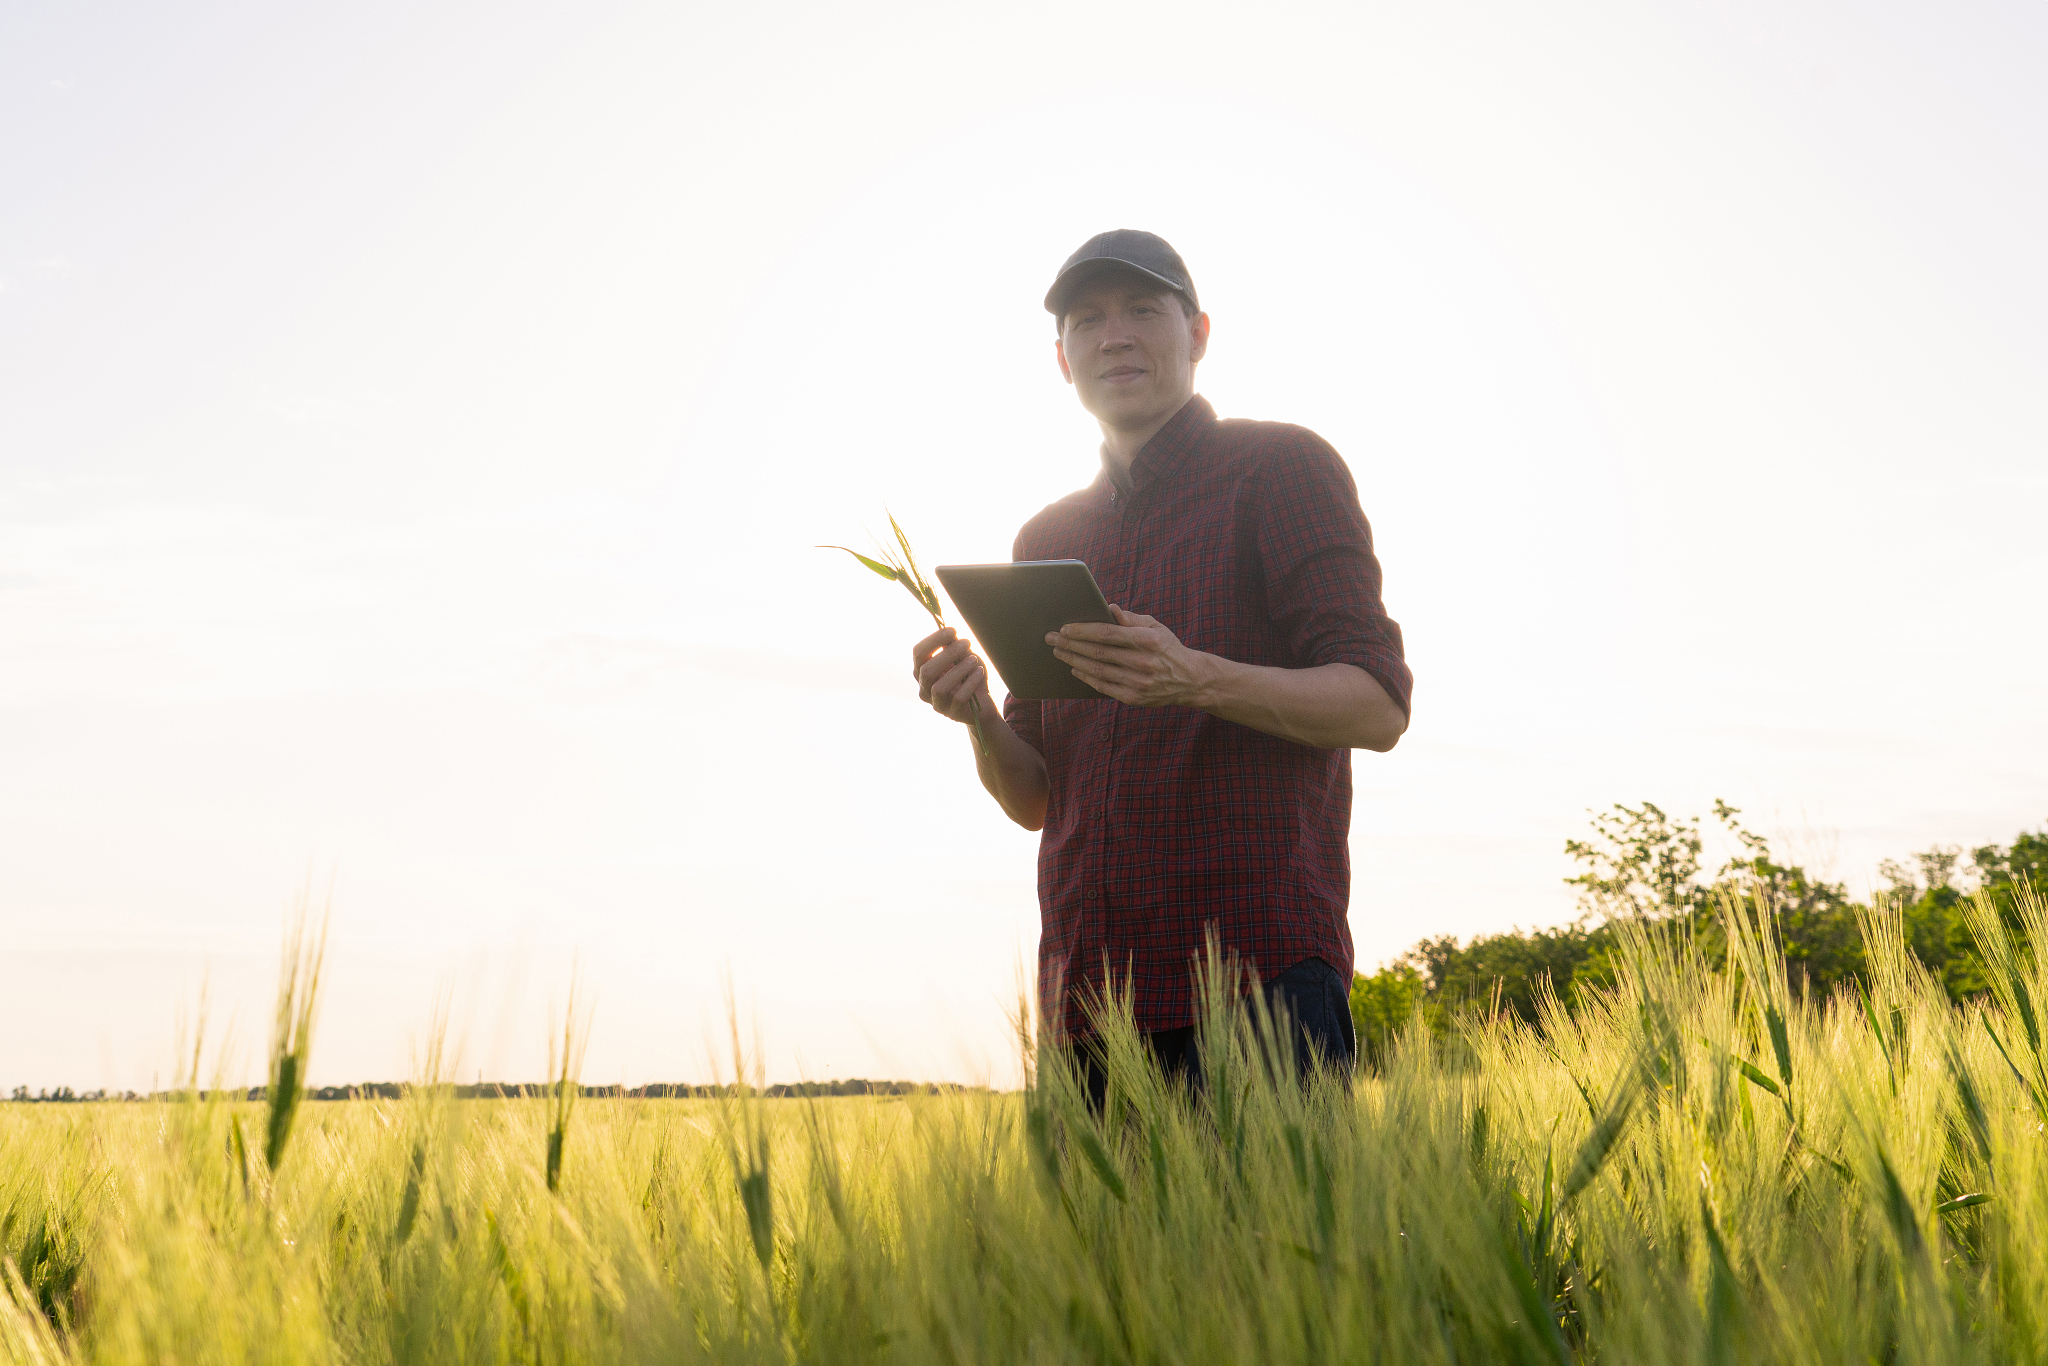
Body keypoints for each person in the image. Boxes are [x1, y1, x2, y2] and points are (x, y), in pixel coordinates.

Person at [911, 229, 1412, 1101]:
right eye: (1087, 320)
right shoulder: (1045, 537)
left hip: (1259, 980)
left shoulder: (1281, 468)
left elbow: (1378, 705)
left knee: (1280, 1205)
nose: (1115, 336)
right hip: (1089, 998)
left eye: (1143, 309)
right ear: (1062, 360)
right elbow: (1035, 800)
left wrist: (1196, 678)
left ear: (1200, 334)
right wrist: (980, 717)